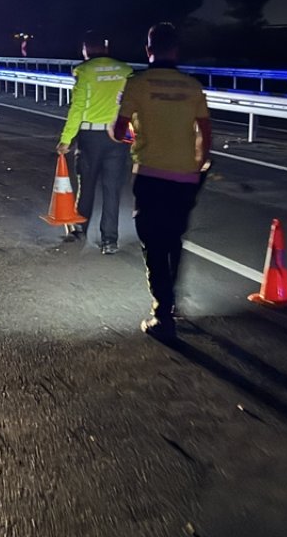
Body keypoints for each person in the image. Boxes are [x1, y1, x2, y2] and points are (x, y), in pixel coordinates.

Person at [111, 22, 211, 341]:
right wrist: (198, 165)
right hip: (185, 176)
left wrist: (131, 132)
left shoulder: (137, 84)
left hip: (151, 174)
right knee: (173, 239)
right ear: (176, 49)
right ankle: (172, 301)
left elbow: (117, 131)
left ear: (148, 50)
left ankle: (162, 312)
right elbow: (206, 135)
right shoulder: (192, 86)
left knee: (153, 243)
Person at [57, 31, 133, 254]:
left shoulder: (84, 71)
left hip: (91, 138)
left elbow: (77, 109)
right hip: (119, 136)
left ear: (85, 50)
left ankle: (80, 230)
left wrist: (66, 139)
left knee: (87, 186)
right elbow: (130, 108)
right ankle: (110, 241)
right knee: (112, 190)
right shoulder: (125, 70)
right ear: (106, 47)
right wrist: (130, 140)